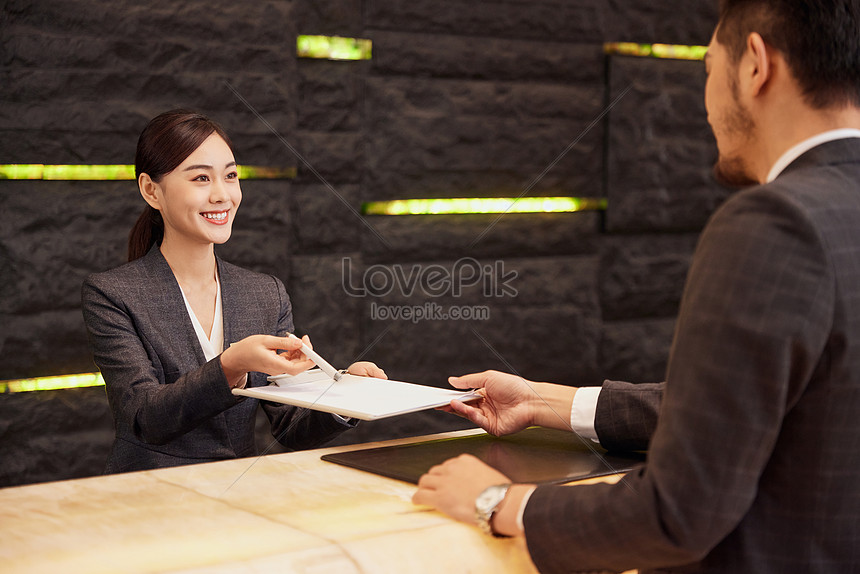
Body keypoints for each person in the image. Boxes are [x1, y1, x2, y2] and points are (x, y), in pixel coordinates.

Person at [413, 1, 860, 571]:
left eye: (705, 69)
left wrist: (498, 501)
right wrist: (546, 401)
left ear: (754, 64)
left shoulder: (778, 223)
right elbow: (763, 408)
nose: (705, 105)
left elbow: (678, 514)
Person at [82, 109, 384, 473]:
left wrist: (342, 395)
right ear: (151, 190)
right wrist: (231, 365)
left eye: (230, 176)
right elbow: (146, 417)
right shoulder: (112, 294)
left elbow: (290, 427)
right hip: (149, 497)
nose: (222, 195)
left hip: (237, 499)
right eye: (200, 178)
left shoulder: (265, 294)